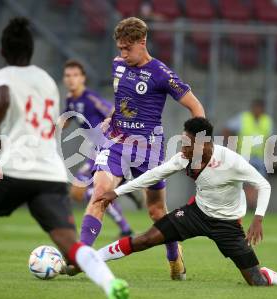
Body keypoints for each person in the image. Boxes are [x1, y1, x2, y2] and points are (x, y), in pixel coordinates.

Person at [0, 18, 128, 299]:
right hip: (50, 174)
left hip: (15, 170)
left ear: (2, 51)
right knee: (68, 243)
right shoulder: (47, 81)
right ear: (32, 50)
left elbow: (2, 100)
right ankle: (110, 284)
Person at [96, 117, 277, 287]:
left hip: (227, 224)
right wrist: (117, 192)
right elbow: (153, 175)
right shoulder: (184, 157)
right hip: (196, 213)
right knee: (146, 239)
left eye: (187, 143)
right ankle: (93, 259)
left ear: (203, 144)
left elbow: (263, 184)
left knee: (256, 281)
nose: (183, 148)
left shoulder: (231, 161)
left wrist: (258, 218)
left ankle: (267, 275)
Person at [79, 17, 205, 281]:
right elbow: (124, 101)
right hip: (115, 143)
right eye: (120, 49)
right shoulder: (118, 66)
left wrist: (195, 144)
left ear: (142, 42)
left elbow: (196, 107)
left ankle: (174, 256)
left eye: (127, 48)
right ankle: (80, 257)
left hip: (149, 149)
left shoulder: (161, 73)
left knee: (156, 211)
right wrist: (110, 119)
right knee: (100, 193)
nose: (122, 54)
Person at [62, 59, 141, 238]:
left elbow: (114, 111)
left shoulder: (90, 98)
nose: (71, 79)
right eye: (67, 76)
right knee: (79, 191)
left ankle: (125, 227)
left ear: (83, 78)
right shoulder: (70, 99)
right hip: (94, 146)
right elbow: (66, 120)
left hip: (106, 144)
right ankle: (122, 199)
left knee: (81, 186)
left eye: (75, 75)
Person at [223, 99, 273, 207]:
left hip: (260, 157)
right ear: (253, 108)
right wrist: (231, 147)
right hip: (244, 155)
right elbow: (227, 129)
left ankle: (251, 205)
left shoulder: (267, 120)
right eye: (256, 108)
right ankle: (244, 204)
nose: (258, 110)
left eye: (260, 108)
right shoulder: (243, 117)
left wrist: (270, 157)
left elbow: (270, 139)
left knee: (259, 182)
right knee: (242, 182)